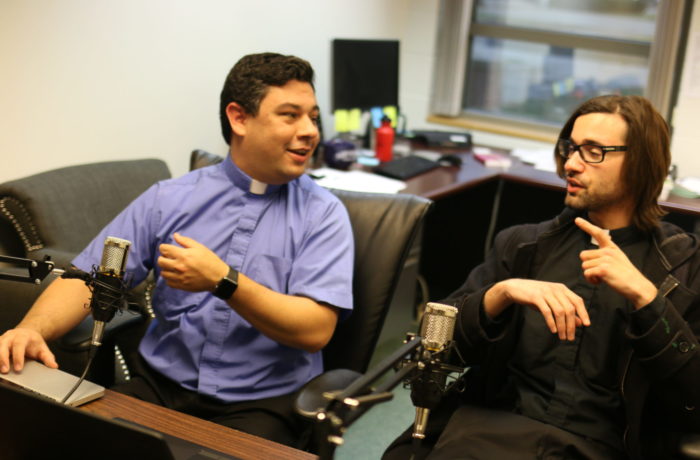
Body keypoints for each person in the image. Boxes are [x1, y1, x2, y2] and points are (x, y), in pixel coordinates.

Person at [0, 52, 354, 447]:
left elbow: (315, 329)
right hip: (161, 386)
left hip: (263, 402)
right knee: (67, 444)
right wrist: (32, 330)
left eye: (313, 116)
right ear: (239, 118)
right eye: (291, 115)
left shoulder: (323, 215)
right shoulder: (169, 199)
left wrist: (224, 281)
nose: (310, 131)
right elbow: (92, 277)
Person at [384, 95, 700, 459]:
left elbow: (693, 399)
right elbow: (431, 342)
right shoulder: (523, 247)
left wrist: (648, 301)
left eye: (593, 151)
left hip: (600, 448)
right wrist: (498, 295)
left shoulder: (683, 267)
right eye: (571, 148)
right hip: (493, 431)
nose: (572, 164)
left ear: (641, 163)